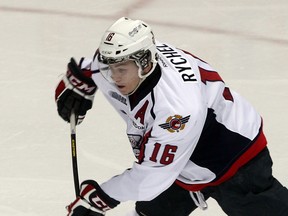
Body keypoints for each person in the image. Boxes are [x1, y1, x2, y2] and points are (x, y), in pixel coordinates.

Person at [55, 17, 288, 216]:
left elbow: (151, 178)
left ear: (145, 63)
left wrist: (101, 197)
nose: (114, 77)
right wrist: (80, 80)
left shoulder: (176, 108)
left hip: (233, 158)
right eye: (111, 68)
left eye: (121, 69)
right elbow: (96, 65)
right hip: (179, 162)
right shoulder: (128, 57)